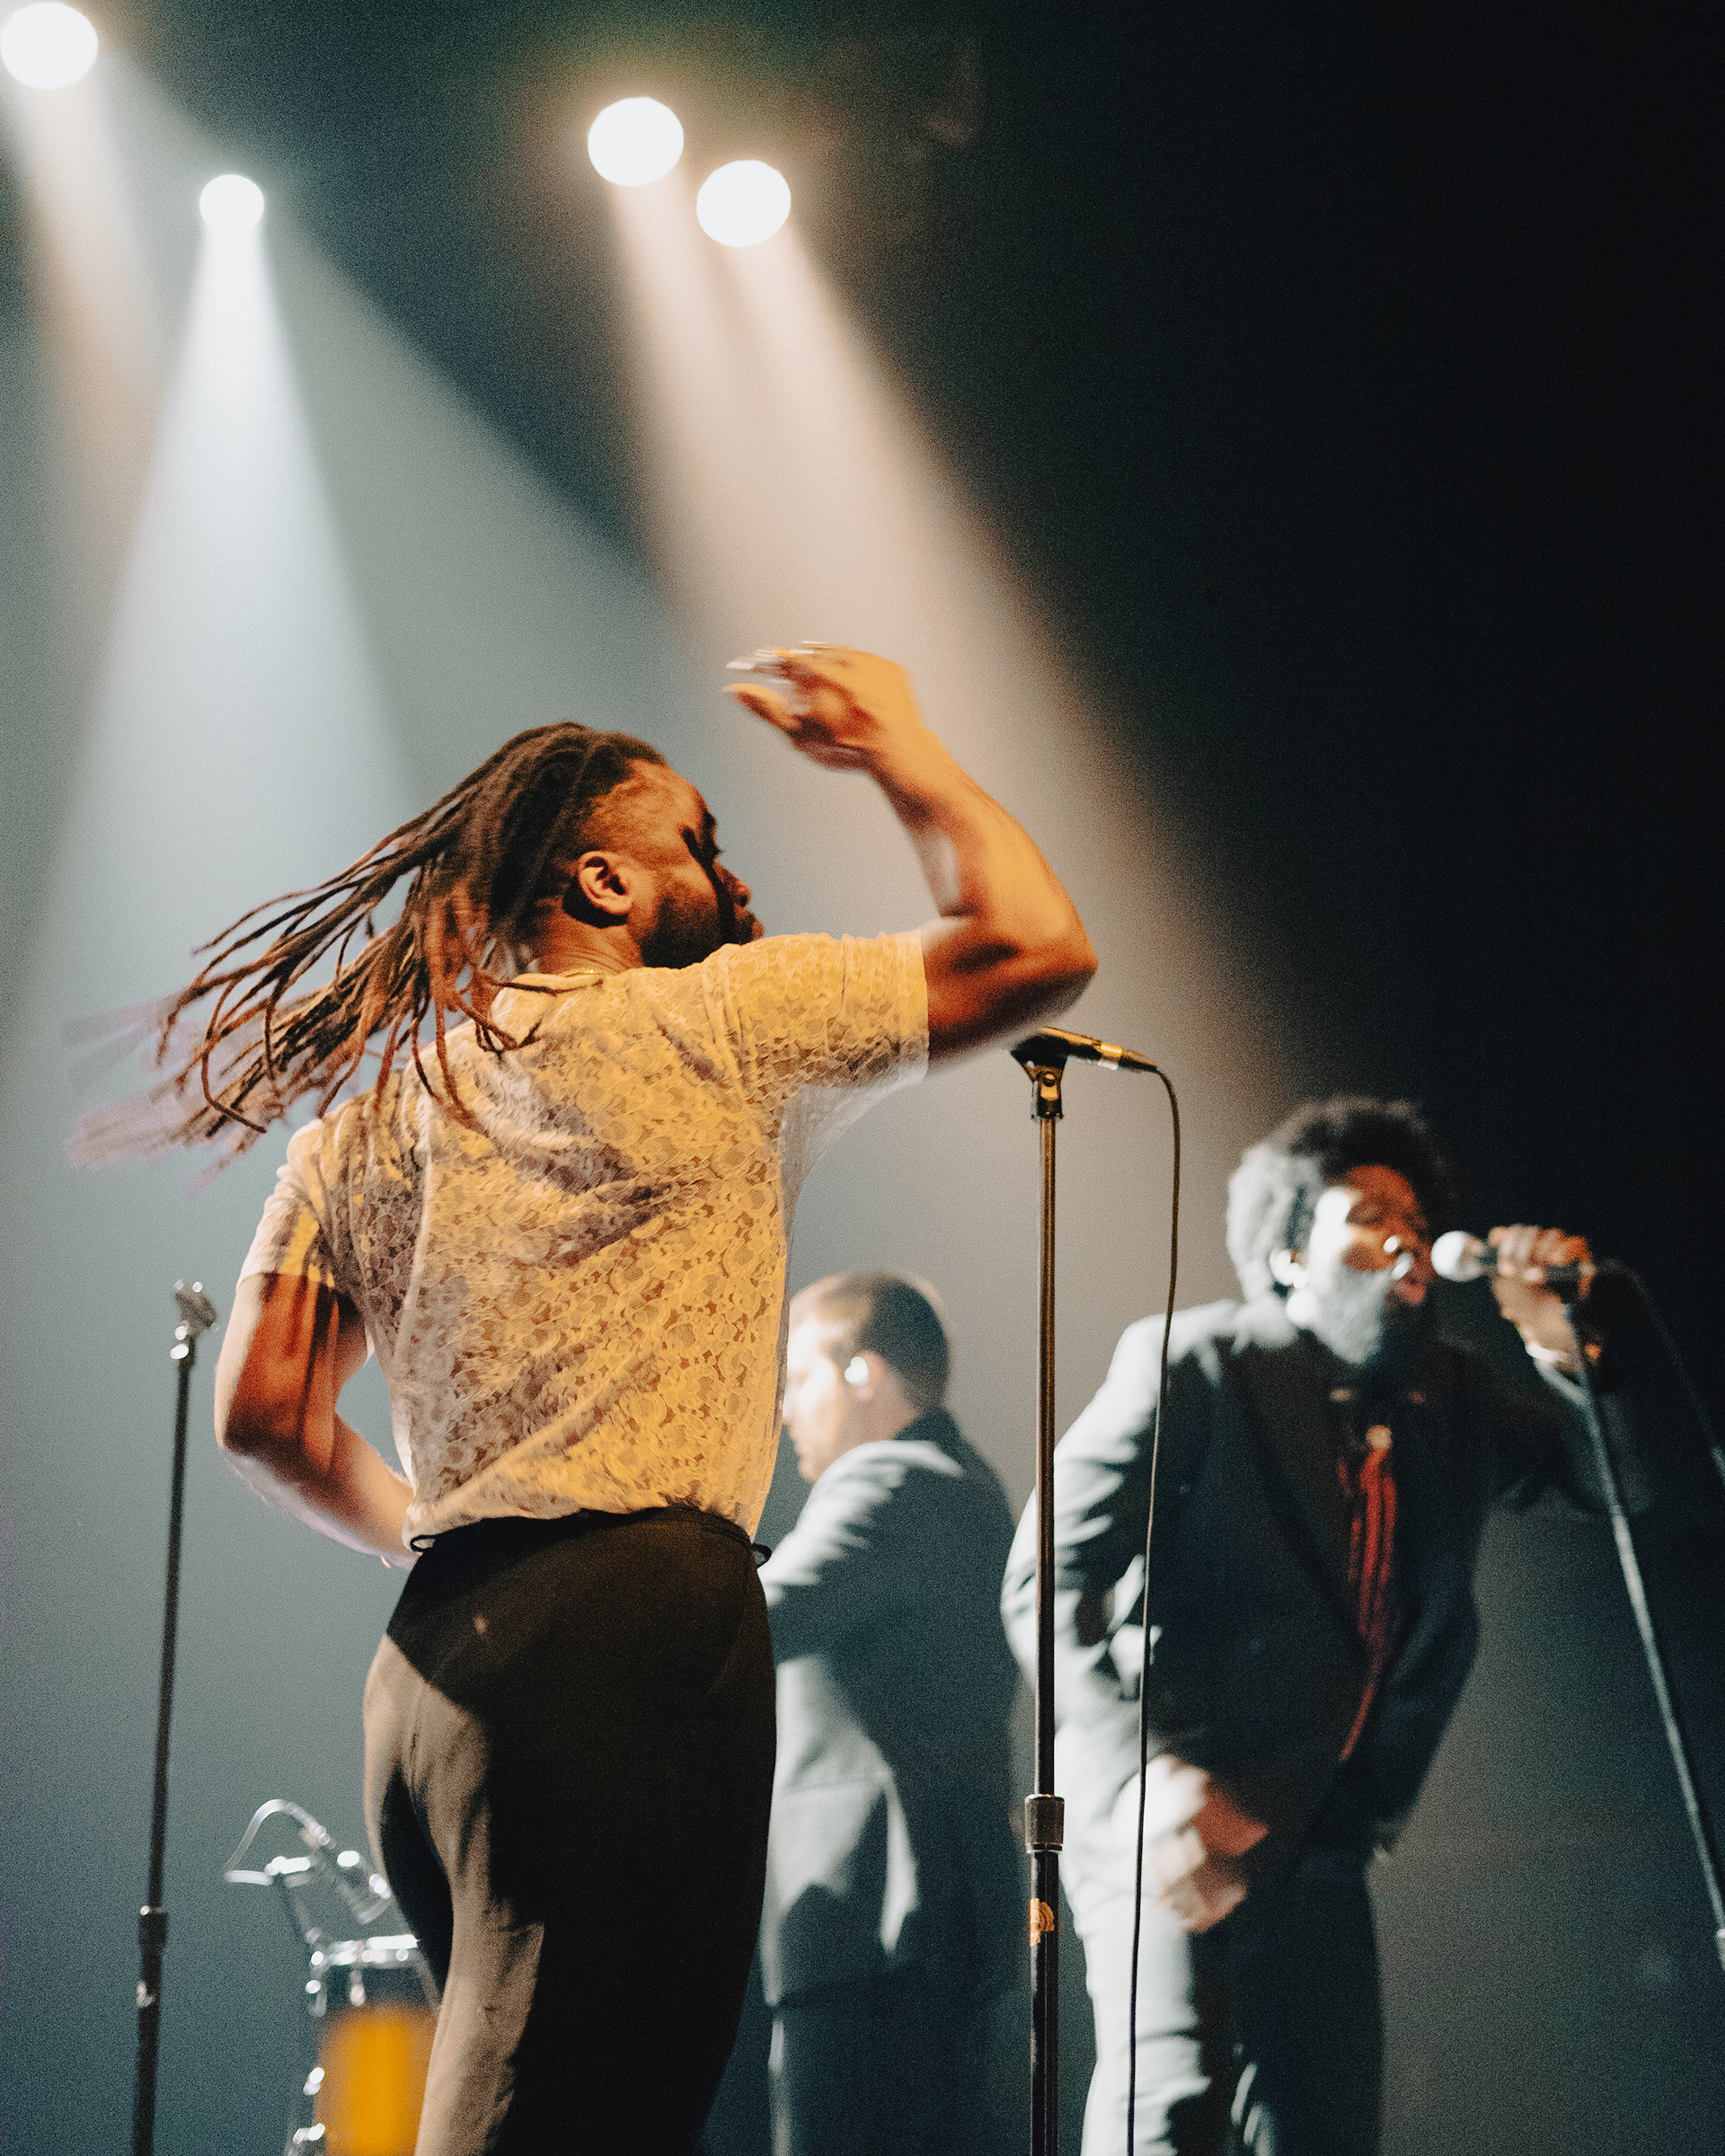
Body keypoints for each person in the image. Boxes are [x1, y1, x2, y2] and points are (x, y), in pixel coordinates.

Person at [87, 646, 1094, 2155]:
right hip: (634, 1638)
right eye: (700, 843)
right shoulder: (726, 1021)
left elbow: (268, 1415)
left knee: (544, 2098)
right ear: (607, 883)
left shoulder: (370, 1119)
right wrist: (901, 745)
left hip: (431, 1676)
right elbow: (1033, 944)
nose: (733, 879)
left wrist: (457, 1541)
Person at [1001, 1096, 1629, 2156]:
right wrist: (1134, 1780)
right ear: (1290, 1254)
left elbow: (1619, 1485)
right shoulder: (1201, 1362)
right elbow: (1047, 1575)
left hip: (1322, 1845)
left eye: (1419, 1223)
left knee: (1328, 2134)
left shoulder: (1450, 1401)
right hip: (1176, 1820)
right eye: (1371, 1217)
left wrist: (1563, 1346)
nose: (1408, 1240)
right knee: (1170, 2115)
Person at [756, 1272, 1023, 2156]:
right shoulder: (962, 1482)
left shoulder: (891, 1480)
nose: (784, 1409)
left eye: (800, 1378)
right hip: (930, 1916)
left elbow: (753, 1622)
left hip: (877, 1916)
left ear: (863, 1374)